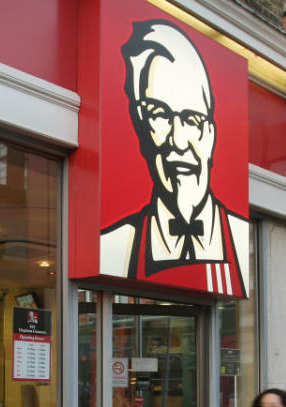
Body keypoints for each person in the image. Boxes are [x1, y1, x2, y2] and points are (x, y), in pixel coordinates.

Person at [99, 20, 249, 296]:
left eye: (192, 119)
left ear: (211, 134)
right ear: (142, 131)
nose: (178, 141)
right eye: (159, 116)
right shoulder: (116, 244)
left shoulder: (244, 245)